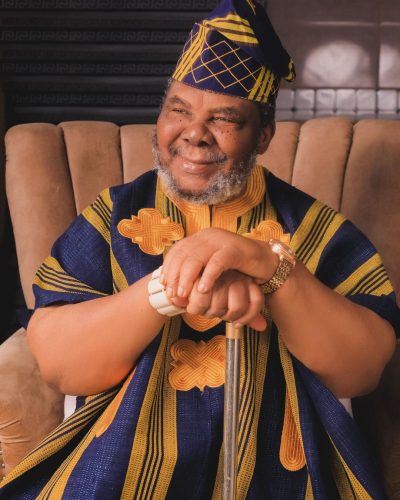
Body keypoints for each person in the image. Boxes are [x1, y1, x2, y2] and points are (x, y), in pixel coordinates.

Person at [1, 0, 399, 498]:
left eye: (224, 119)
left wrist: (269, 269)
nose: (194, 134)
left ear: (264, 135)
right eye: (179, 110)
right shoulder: (110, 216)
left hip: (285, 469)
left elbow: (362, 370)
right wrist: (170, 286)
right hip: (124, 463)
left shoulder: (316, 228)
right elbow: (62, 366)